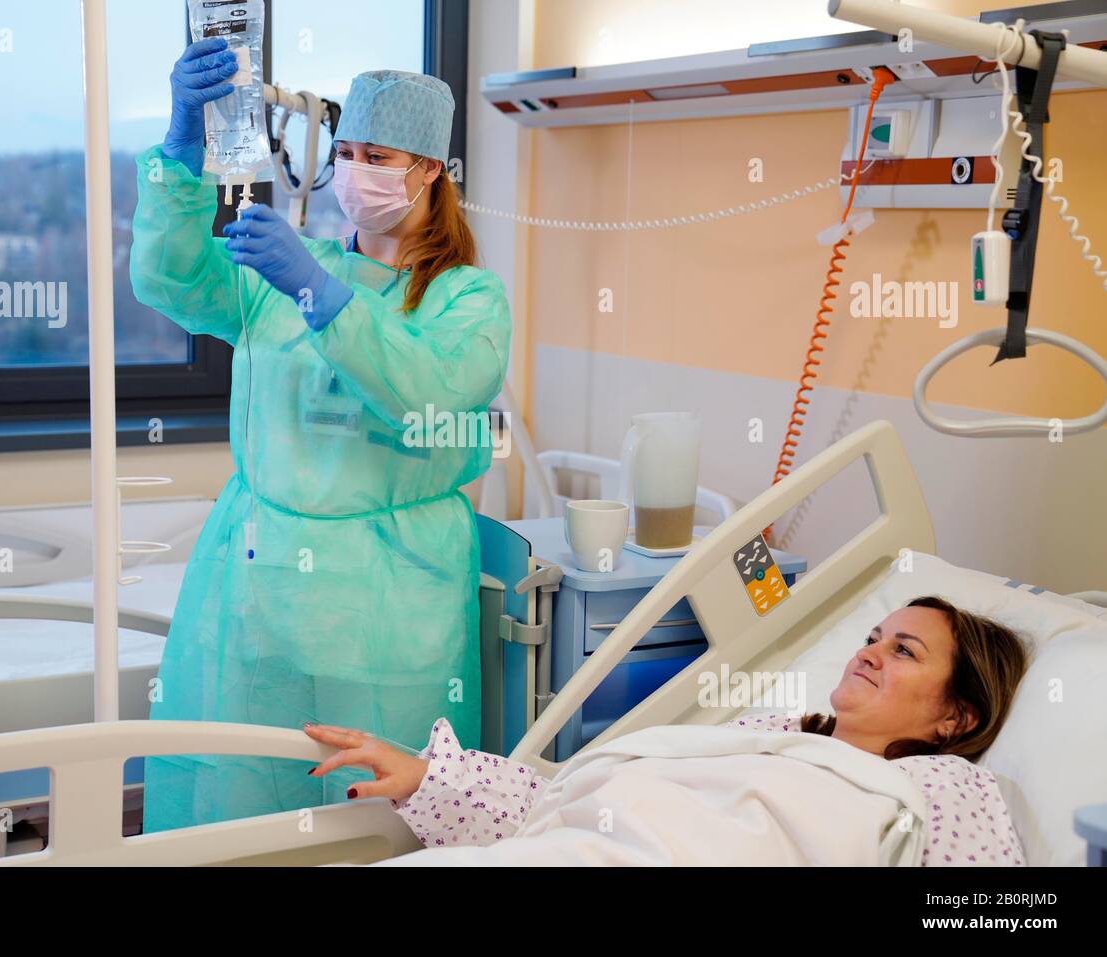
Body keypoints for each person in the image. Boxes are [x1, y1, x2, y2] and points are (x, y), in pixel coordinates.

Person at [130, 39, 511, 830]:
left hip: (386, 603)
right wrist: (179, 151)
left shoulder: (469, 301)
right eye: (343, 151)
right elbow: (170, 280)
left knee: (369, 820)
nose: (351, 168)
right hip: (257, 590)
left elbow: (424, 391)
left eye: (377, 154)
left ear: (432, 170)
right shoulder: (274, 281)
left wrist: (321, 291)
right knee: (242, 808)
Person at [304, 596, 1031, 865]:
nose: (869, 649)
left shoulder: (940, 784)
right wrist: (433, 776)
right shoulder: (767, 733)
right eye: (874, 633)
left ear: (956, 716)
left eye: (904, 649)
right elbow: (578, 802)